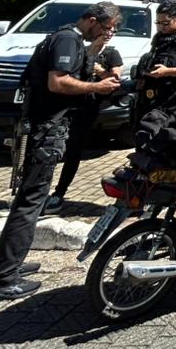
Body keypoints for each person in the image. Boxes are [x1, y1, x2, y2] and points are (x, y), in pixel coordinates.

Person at [0, 2, 122, 302]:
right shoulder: (67, 39)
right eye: (106, 27)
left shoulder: (72, 39)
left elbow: (77, 67)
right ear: (93, 20)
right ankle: (1, 279)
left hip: (46, 128)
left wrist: (96, 47)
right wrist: (95, 88)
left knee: (29, 201)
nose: (108, 33)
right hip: (46, 130)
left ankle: (6, 264)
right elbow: (58, 82)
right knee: (30, 204)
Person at [42, 28, 124, 215]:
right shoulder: (79, 49)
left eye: (112, 31)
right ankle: (39, 192)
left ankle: (59, 193)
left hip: (87, 107)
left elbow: (114, 80)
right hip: (65, 106)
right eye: (106, 30)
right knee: (50, 149)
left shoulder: (112, 54)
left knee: (74, 150)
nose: (109, 34)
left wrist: (100, 70)